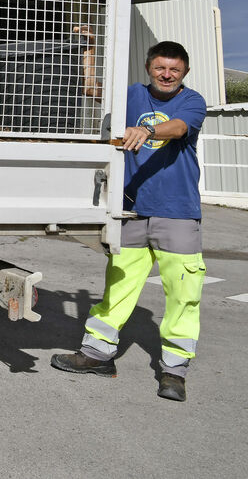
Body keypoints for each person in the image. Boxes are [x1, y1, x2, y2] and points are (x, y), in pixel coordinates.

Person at [51, 40, 207, 402]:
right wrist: (88, 51)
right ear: (149, 67)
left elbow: (180, 129)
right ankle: (97, 355)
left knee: (184, 293)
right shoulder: (132, 95)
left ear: (184, 73)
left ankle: (174, 372)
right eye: (160, 68)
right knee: (119, 286)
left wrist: (148, 131)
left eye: (175, 70)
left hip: (178, 213)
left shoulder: (192, 101)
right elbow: (93, 91)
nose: (167, 75)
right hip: (131, 209)